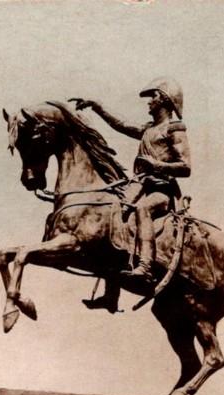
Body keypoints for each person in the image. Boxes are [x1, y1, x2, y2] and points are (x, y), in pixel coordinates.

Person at [71, 77, 191, 311]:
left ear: (164, 100)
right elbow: (122, 124)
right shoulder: (149, 130)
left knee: (143, 209)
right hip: (140, 187)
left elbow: (185, 166)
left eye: (153, 97)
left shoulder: (174, 129)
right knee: (114, 214)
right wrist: (97, 106)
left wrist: (156, 166)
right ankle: (110, 294)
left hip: (161, 191)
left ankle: (145, 267)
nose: (149, 103)